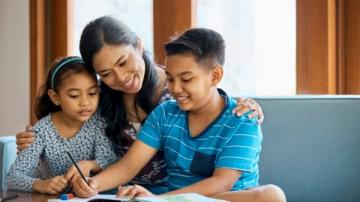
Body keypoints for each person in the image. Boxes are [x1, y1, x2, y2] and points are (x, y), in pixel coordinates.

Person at [15, 16, 265, 194]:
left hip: (167, 194)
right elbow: (125, 164)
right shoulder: (103, 99)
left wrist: (248, 107)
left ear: (138, 45)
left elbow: (209, 93)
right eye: (107, 73)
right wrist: (38, 136)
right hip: (133, 192)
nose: (121, 78)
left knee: (270, 195)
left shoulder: (181, 96)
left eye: (123, 62)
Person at [73, 28, 285, 202]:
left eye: (186, 79)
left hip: (219, 199)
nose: (175, 89)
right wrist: (94, 184)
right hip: (173, 199)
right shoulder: (165, 113)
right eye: (171, 79)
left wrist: (159, 200)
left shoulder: (243, 119)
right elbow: (129, 165)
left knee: (271, 195)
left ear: (216, 75)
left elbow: (222, 182)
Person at [7, 56, 117, 195]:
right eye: (74, 95)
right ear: (55, 97)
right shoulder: (41, 131)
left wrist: (89, 165)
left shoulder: (98, 121)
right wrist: (41, 185)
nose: (85, 102)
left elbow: (109, 160)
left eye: (92, 93)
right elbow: (13, 177)